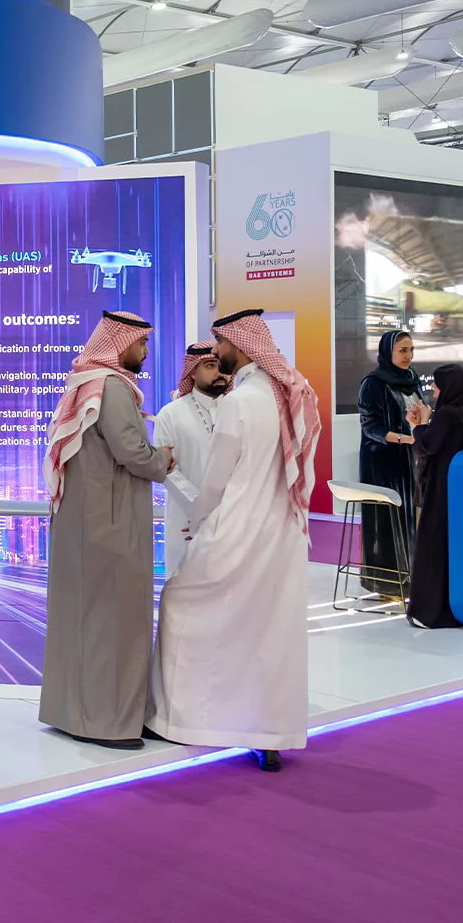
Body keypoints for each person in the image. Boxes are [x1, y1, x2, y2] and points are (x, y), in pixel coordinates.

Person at [148, 309, 321, 773]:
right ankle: (268, 734)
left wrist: (201, 521)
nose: (216, 353)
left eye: (219, 344)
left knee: (181, 605)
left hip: (237, 527)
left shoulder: (241, 402)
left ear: (236, 345)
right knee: (268, 631)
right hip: (283, 532)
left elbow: (217, 481)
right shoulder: (291, 395)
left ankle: (181, 721)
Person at [39, 312, 173, 750]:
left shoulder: (84, 383)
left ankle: (70, 712)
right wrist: (165, 459)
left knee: (79, 619)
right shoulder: (112, 388)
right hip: (109, 525)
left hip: (82, 525)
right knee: (115, 622)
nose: (146, 352)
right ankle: (108, 723)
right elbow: (132, 453)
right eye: (141, 343)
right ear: (121, 344)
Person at [410, 363, 463, 630]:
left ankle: (430, 610)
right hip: (458, 491)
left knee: (433, 547)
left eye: (437, 384)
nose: (433, 388)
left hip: (441, 490)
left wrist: (420, 425)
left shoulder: (447, 415)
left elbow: (427, 445)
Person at [357, 331, 428, 593]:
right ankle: (385, 582)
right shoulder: (373, 383)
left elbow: (420, 411)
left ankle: (411, 577)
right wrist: (405, 439)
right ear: (388, 351)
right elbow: (371, 428)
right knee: (387, 521)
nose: (409, 356)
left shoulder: (412, 379)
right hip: (382, 464)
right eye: (402, 350)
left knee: (410, 518)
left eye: (411, 350)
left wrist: (423, 422)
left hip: (410, 460)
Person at [152, 343, 228, 578]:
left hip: (231, 518)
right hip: (185, 518)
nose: (219, 373)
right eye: (210, 366)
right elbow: (166, 469)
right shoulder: (171, 414)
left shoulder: (237, 409)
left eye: (222, 366)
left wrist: (224, 511)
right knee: (183, 595)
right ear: (192, 372)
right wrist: (200, 509)